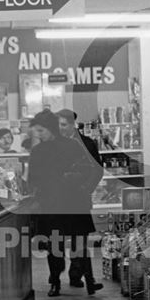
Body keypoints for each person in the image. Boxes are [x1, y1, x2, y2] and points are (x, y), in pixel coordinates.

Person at [26, 109, 104, 297]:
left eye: (41, 131)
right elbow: (86, 170)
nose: (38, 135)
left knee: (56, 245)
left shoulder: (40, 151)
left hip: (55, 204)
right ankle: (85, 282)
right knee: (76, 244)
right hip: (74, 202)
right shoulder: (72, 146)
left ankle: (58, 283)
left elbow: (33, 179)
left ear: (50, 129)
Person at [57, 109, 104, 288]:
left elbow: (97, 169)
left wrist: (86, 188)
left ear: (72, 124)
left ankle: (78, 275)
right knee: (58, 239)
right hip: (59, 200)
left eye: (63, 125)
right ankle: (62, 277)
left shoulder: (87, 144)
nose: (60, 129)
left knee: (80, 240)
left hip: (79, 198)